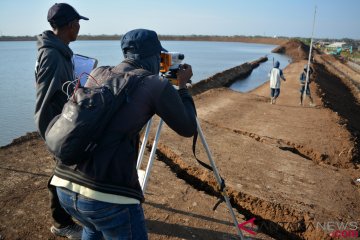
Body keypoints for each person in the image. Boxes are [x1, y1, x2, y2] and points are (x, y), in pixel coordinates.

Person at [50, 29, 197, 240]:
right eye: (159, 57)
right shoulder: (156, 85)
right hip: (106, 197)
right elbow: (188, 127)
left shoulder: (99, 72)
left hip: (64, 185)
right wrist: (182, 87)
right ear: (154, 56)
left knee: (92, 228)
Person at [34, 3, 89, 239]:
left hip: (64, 123)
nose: (79, 27)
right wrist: (52, 134)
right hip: (59, 127)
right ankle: (61, 223)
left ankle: (66, 217)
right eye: (77, 23)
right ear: (69, 25)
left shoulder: (61, 51)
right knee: (62, 173)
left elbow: (61, 89)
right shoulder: (53, 56)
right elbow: (44, 101)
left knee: (66, 171)